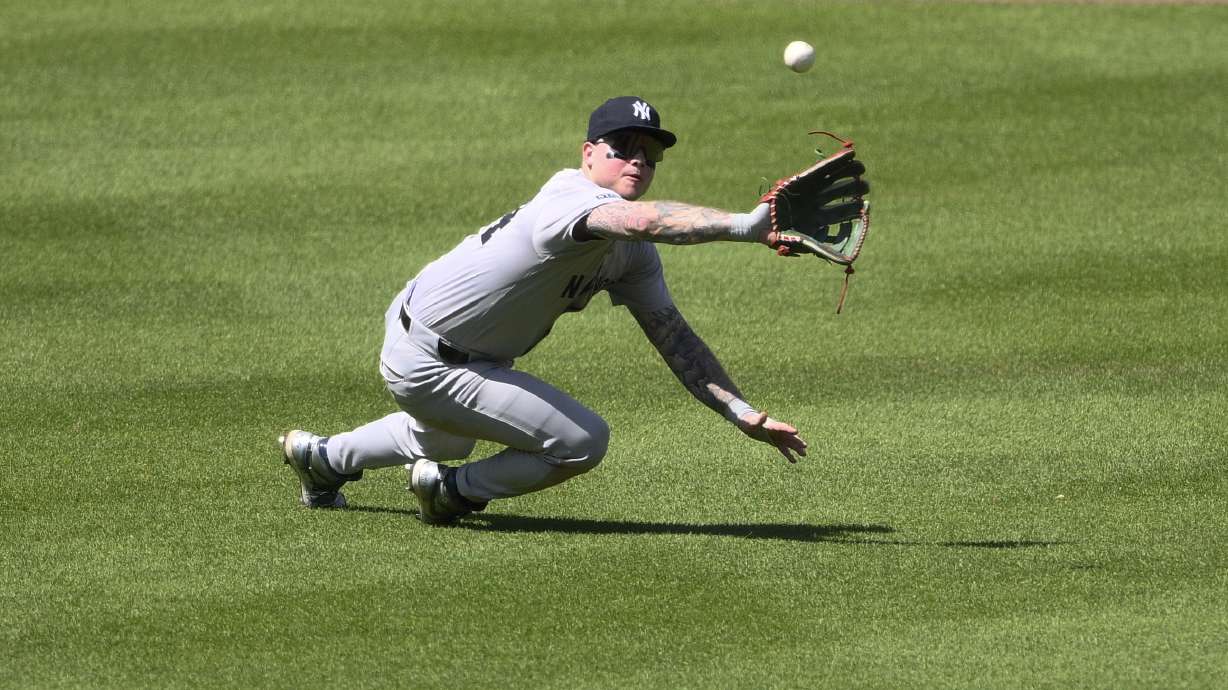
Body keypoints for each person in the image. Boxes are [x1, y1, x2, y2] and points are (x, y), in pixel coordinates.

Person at [280, 96, 820, 524]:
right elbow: (636, 220)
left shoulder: (634, 258)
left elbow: (674, 338)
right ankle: (448, 492)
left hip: (457, 350)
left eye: (648, 155)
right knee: (581, 442)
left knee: (447, 434)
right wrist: (742, 227)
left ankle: (321, 459)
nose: (637, 159)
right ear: (588, 153)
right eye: (621, 147)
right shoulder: (569, 202)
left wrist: (740, 412)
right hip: (430, 354)